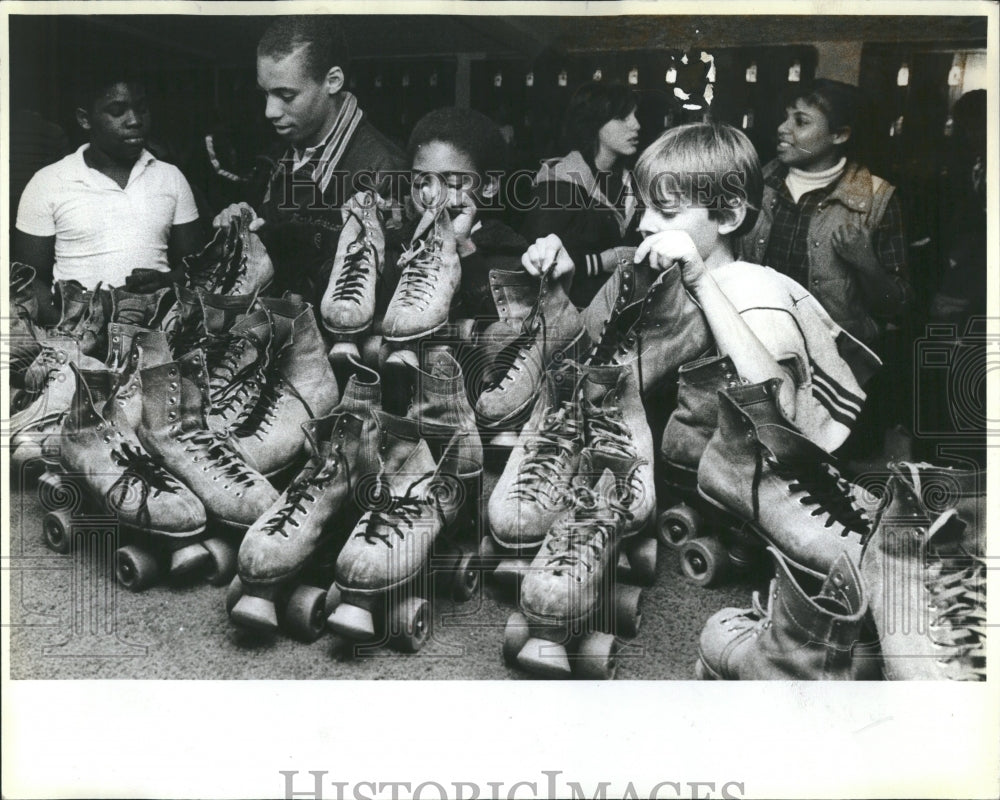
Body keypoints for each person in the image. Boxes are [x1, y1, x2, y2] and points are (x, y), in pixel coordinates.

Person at [523, 122, 880, 452]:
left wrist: (703, 285)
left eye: (666, 211)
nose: (644, 225)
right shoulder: (642, 276)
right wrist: (559, 291)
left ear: (728, 216)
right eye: (644, 207)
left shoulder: (756, 289)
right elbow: (575, 372)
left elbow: (781, 415)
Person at [212, 15, 406, 304]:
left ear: (333, 81)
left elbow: (386, 291)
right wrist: (239, 232)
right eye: (265, 94)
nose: (270, 111)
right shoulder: (275, 153)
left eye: (285, 95)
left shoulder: (386, 168)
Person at [14, 67, 203, 323]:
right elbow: (30, 279)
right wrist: (66, 333)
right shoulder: (48, 182)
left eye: (142, 108)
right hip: (75, 332)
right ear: (84, 119)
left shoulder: (171, 177)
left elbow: (195, 267)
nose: (135, 120)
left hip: (156, 332)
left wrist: (167, 281)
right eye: (117, 111)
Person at [740, 79, 911, 353]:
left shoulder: (877, 199)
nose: (782, 129)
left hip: (837, 363)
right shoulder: (757, 184)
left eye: (801, 121)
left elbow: (896, 306)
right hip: (758, 345)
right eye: (785, 118)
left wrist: (867, 263)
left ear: (840, 135)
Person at [397, 106, 528, 321]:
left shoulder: (511, 259)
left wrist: (465, 248)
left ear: (489, 186)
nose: (432, 195)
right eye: (421, 181)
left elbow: (506, 337)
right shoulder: (396, 249)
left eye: (452, 182)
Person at [521, 81, 643, 307]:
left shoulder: (633, 181)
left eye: (635, 116)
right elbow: (537, 264)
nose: (636, 125)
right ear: (594, 121)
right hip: (571, 313)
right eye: (623, 117)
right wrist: (600, 262)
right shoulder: (558, 181)